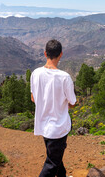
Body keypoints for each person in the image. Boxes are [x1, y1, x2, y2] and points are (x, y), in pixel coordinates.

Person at [31, 39, 77, 177]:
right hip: (58, 127)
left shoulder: (35, 73)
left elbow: (33, 98)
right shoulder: (64, 77)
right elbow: (72, 102)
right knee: (51, 163)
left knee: (55, 158)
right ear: (61, 54)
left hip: (43, 126)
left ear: (45, 53)